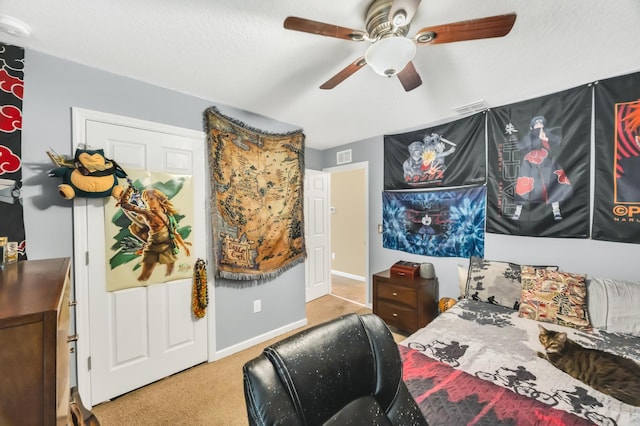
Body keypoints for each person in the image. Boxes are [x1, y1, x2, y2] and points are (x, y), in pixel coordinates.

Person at [117, 186, 191, 281]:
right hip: (153, 248)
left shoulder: (168, 216)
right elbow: (124, 205)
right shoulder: (147, 214)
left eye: (151, 199)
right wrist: (128, 191)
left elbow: (174, 233)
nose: (149, 202)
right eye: (146, 200)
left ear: (159, 199)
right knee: (144, 277)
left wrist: (184, 246)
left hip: (167, 248)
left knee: (171, 274)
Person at [512, 116, 572, 221]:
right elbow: (520, 146)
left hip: (547, 164)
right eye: (536, 123)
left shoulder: (548, 134)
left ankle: (556, 211)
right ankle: (517, 212)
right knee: (524, 187)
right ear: (532, 127)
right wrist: (535, 140)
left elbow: (558, 145)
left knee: (553, 187)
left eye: (541, 122)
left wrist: (546, 140)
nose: (539, 124)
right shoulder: (529, 136)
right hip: (530, 165)